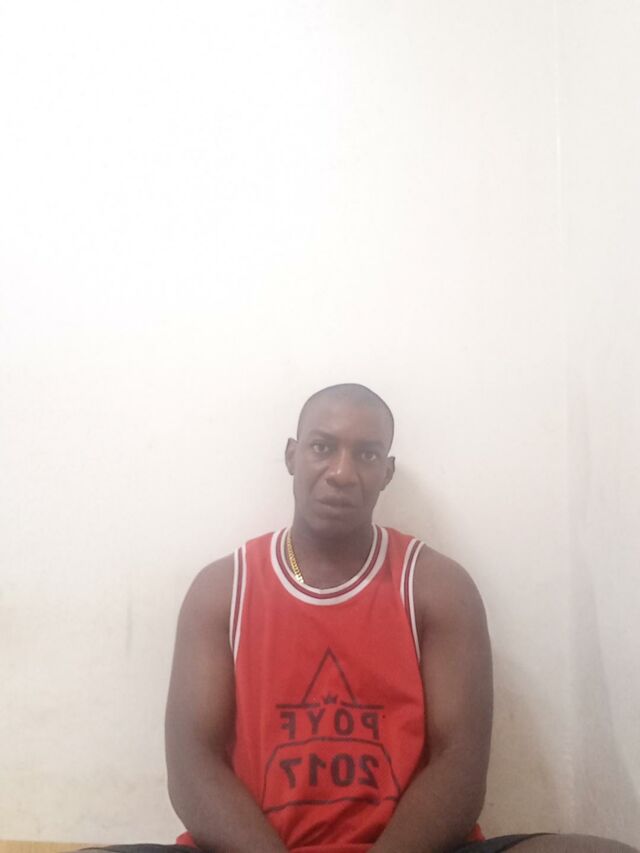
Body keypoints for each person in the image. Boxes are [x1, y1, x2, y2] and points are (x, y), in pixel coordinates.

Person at [87, 384, 637, 853]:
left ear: (387, 472)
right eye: (322, 447)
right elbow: (192, 766)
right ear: (292, 455)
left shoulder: (437, 587)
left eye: (367, 454)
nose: (341, 472)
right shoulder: (222, 589)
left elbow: (460, 766)